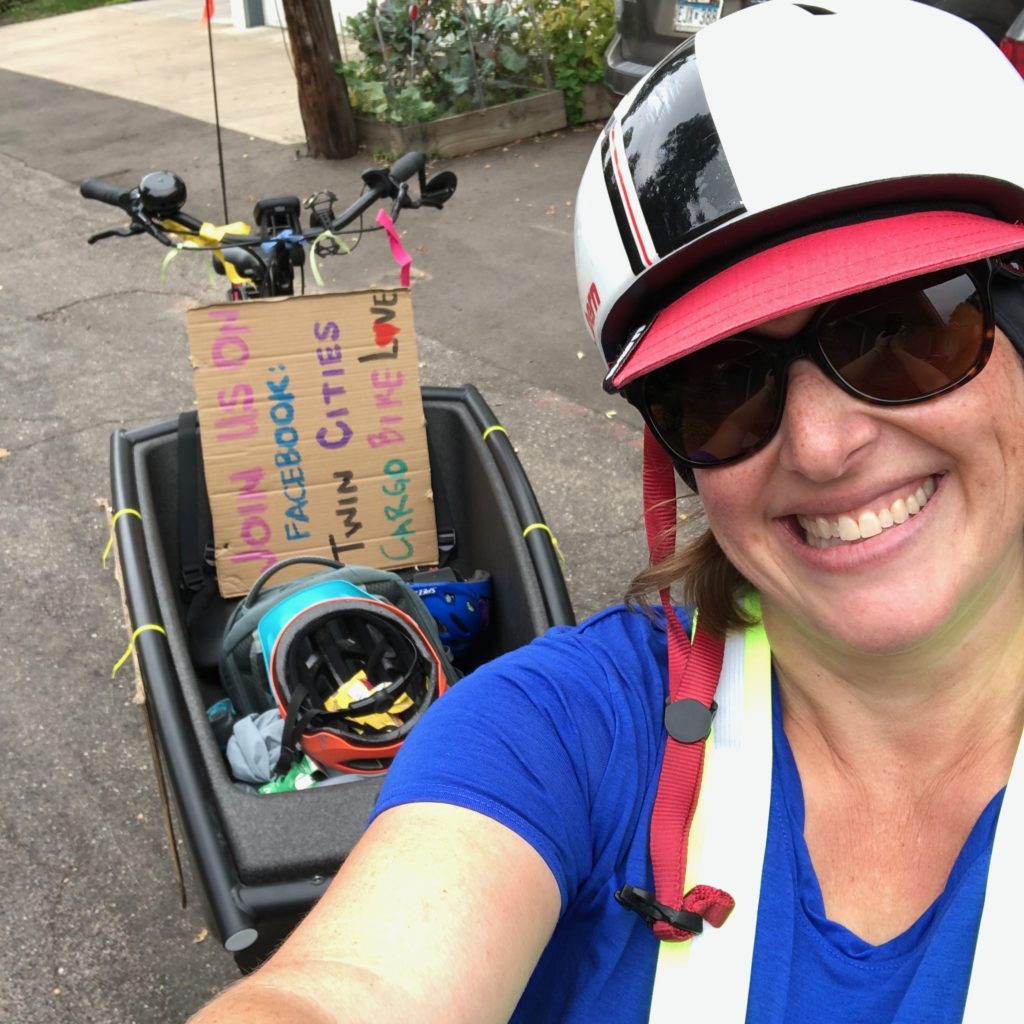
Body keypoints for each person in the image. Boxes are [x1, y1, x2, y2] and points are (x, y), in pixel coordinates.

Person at [189, 1, 1024, 1020]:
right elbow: (349, 987)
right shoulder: (564, 730)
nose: (818, 443)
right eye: (720, 387)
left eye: (903, 329)